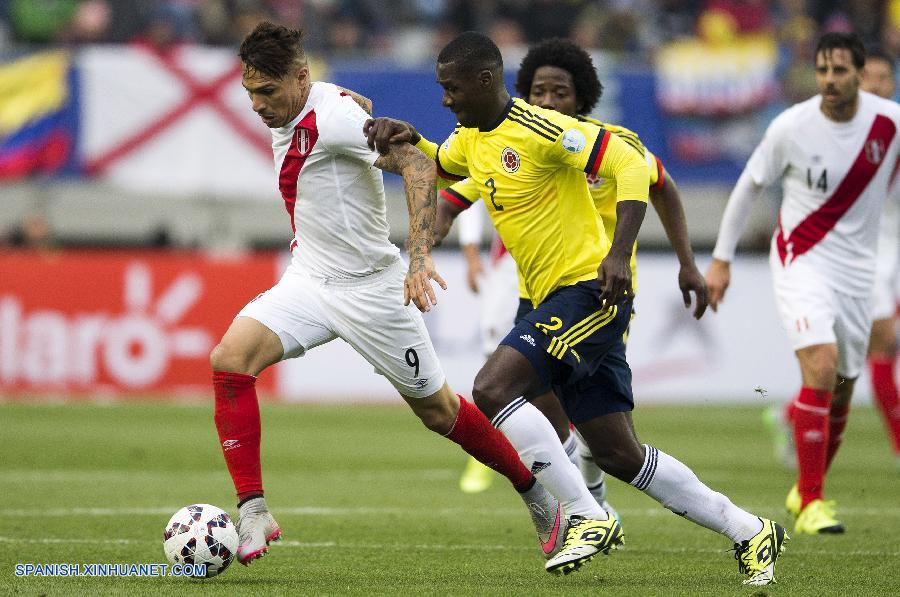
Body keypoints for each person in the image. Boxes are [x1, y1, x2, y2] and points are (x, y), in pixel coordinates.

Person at [366, 31, 786, 585]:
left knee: (493, 388)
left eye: (452, 88)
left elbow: (634, 168)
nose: (446, 99)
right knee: (617, 453)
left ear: (486, 80)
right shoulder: (472, 138)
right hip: (560, 297)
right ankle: (750, 530)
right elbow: (444, 165)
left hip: (590, 291)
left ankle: (587, 516)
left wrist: (618, 254)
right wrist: (410, 137)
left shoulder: (542, 128)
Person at [211, 21, 565, 567]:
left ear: (301, 78)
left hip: (371, 290)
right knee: (229, 360)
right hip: (309, 278)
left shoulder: (335, 117)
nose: (257, 105)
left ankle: (534, 492)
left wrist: (419, 257)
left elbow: (420, 165)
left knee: (439, 411)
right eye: (250, 92)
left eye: (267, 92)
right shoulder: (300, 106)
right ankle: (254, 508)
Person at [449, 39, 710, 517]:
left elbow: (662, 187)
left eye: (560, 93)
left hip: (603, 289)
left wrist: (687, 262)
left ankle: (589, 508)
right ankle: (593, 507)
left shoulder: (612, 143)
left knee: (561, 413)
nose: (549, 102)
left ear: (582, 97)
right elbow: (463, 182)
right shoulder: (523, 140)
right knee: (555, 406)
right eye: (539, 92)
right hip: (544, 291)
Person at [705, 33, 900, 535]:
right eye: (822, 71)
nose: (830, 81)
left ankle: (804, 490)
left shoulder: (889, 123)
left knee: (842, 386)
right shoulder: (792, 127)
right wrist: (721, 260)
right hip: (802, 260)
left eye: (840, 71)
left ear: (860, 73)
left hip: (860, 272)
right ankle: (812, 499)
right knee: (823, 365)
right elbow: (750, 186)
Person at [859, 48, 900, 465]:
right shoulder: (833, 132)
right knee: (879, 343)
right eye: (867, 76)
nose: (875, 85)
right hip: (863, 256)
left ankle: (793, 415)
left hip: (893, 250)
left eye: (883, 77)